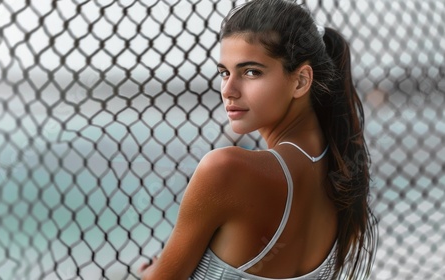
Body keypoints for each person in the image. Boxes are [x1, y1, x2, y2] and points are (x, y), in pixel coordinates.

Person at [139, 0, 378, 279]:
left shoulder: (226, 169)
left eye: (251, 72)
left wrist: (150, 272)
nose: (228, 90)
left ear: (301, 81)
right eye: (224, 73)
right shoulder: (341, 170)